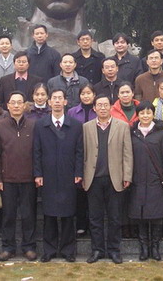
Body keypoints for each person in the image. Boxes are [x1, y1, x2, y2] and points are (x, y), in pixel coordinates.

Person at [33, 89, 84, 262]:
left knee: (68, 214)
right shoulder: (41, 125)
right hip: (47, 175)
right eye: (53, 98)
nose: (56, 101)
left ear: (65, 102)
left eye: (59, 98)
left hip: (68, 174)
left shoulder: (75, 125)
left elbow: (79, 151)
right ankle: (49, 250)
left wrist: (78, 172)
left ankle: (68, 250)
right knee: (49, 215)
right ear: (49, 102)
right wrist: (38, 173)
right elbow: (36, 151)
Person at [82, 95, 133, 264]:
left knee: (115, 217)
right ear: (94, 108)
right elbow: (83, 153)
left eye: (105, 105)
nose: (102, 108)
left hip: (115, 178)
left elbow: (127, 153)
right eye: (99, 105)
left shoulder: (122, 126)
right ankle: (97, 250)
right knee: (95, 218)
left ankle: (114, 250)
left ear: (111, 107)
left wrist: (127, 175)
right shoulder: (86, 127)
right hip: (93, 178)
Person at [0, 91, 38, 262]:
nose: (16, 105)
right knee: (8, 215)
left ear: (25, 105)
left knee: (29, 215)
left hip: (28, 179)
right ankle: (8, 247)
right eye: (13, 102)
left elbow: (38, 152)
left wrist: (37, 174)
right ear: (8, 105)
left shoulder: (34, 125)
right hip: (7, 180)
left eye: (20, 102)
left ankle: (29, 247)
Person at [129, 102, 163, 261]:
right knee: (140, 216)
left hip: (156, 181)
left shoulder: (161, 133)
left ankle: (155, 247)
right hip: (137, 181)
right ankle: (144, 247)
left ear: (153, 114)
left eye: (148, 113)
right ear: (138, 115)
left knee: (157, 217)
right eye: (142, 113)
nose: (145, 116)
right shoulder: (132, 133)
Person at [66, 83, 96, 236]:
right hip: (76, 154)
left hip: (95, 154)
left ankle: (94, 224)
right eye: (83, 93)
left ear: (94, 95)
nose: (86, 96)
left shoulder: (99, 110)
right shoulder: (72, 112)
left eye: (89, 93)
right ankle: (81, 224)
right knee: (79, 192)